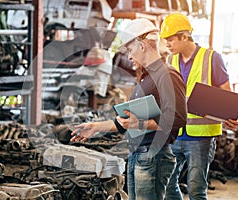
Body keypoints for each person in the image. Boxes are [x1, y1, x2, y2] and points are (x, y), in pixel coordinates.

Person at [70, 18, 187, 200]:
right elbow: (127, 120)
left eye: (131, 50)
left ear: (142, 45)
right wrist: (95, 127)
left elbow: (178, 118)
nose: (129, 56)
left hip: (153, 156)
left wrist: (140, 123)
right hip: (138, 154)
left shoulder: (167, 75)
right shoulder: (147, 78)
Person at [159, 12, 238, 200]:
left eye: (170, 40)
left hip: (200, 138)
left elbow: (226, 93)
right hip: (176, 134)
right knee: (169, 185)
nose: (167, 45)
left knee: (196, 189)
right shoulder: (170, 61)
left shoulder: (212, 58)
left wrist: (230, 115)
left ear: (185, 36)